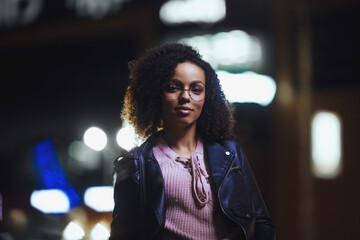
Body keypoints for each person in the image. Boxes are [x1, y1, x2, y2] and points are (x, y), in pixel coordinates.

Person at [109, 43, 276, 240]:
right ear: (155, 93)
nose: (185, 97)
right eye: (173, 87)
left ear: (207, 97)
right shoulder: (135, 165)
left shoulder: (230, 151)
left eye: (196, 89)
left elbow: (261, 222)